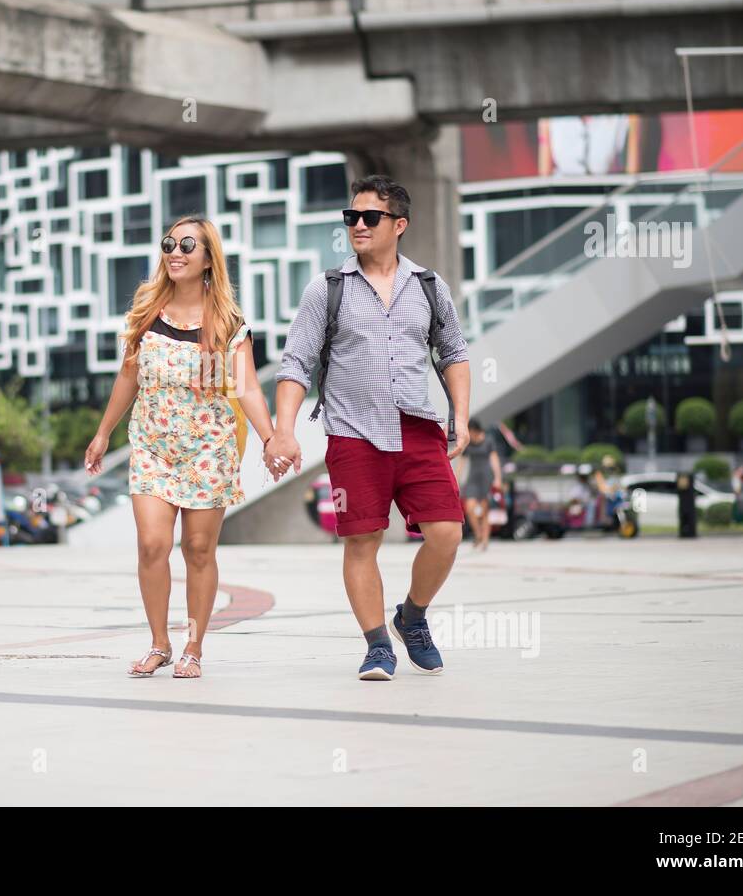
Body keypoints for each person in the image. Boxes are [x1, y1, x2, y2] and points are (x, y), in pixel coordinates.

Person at [266, 174, 471, 681]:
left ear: (398, 225)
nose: (357, 225)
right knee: (363, 540)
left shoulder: (428, 286)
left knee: (446, 532)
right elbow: (296, 363)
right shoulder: (328, 288)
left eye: (369, 217)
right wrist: (284, 430)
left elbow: (455, 354)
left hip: (419, 429)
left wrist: (460, 417)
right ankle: (377, 644)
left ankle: (412, 616)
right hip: (354, 433)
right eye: (351, 217)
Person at [85, 215, 282, 679]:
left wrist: (271, 438)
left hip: (208, 450)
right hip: (152, 445)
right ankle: (159, 643)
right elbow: (129, 376)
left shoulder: (229, 324)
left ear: (208, 258)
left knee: (197, 550)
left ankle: (194, 645)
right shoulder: (147, 314)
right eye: (169, 243)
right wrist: (102, 432)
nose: (175, 252)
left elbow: (248, 388)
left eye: (187, 245)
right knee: (153, 545)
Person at [461, 419, 503, 551]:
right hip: (472, 478)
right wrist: (456, 479)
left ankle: (485, 539)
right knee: (469, 509)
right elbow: (462, 462)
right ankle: (478, 533)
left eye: (472, 432)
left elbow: (494, 459)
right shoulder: (468, 442)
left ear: (476, 430)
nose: (471, 434)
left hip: (486, 478)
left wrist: (498, 478)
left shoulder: (488, 440)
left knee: (485, 511)